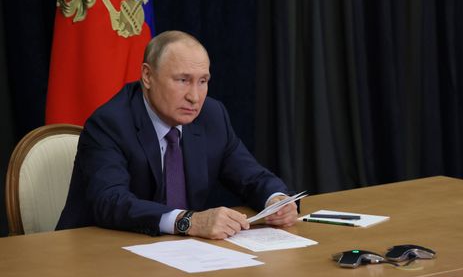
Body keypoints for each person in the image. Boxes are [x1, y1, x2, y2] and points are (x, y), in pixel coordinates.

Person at [57, 31, 299, 238]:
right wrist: (188, 221)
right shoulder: (110, 123)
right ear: (147, 76)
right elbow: (111, 202)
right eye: (183, 80)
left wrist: (276, 200)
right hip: (100, 252)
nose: (194, 97)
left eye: (202, 81)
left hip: (180, 256)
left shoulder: (211, 116)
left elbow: (251, 176)